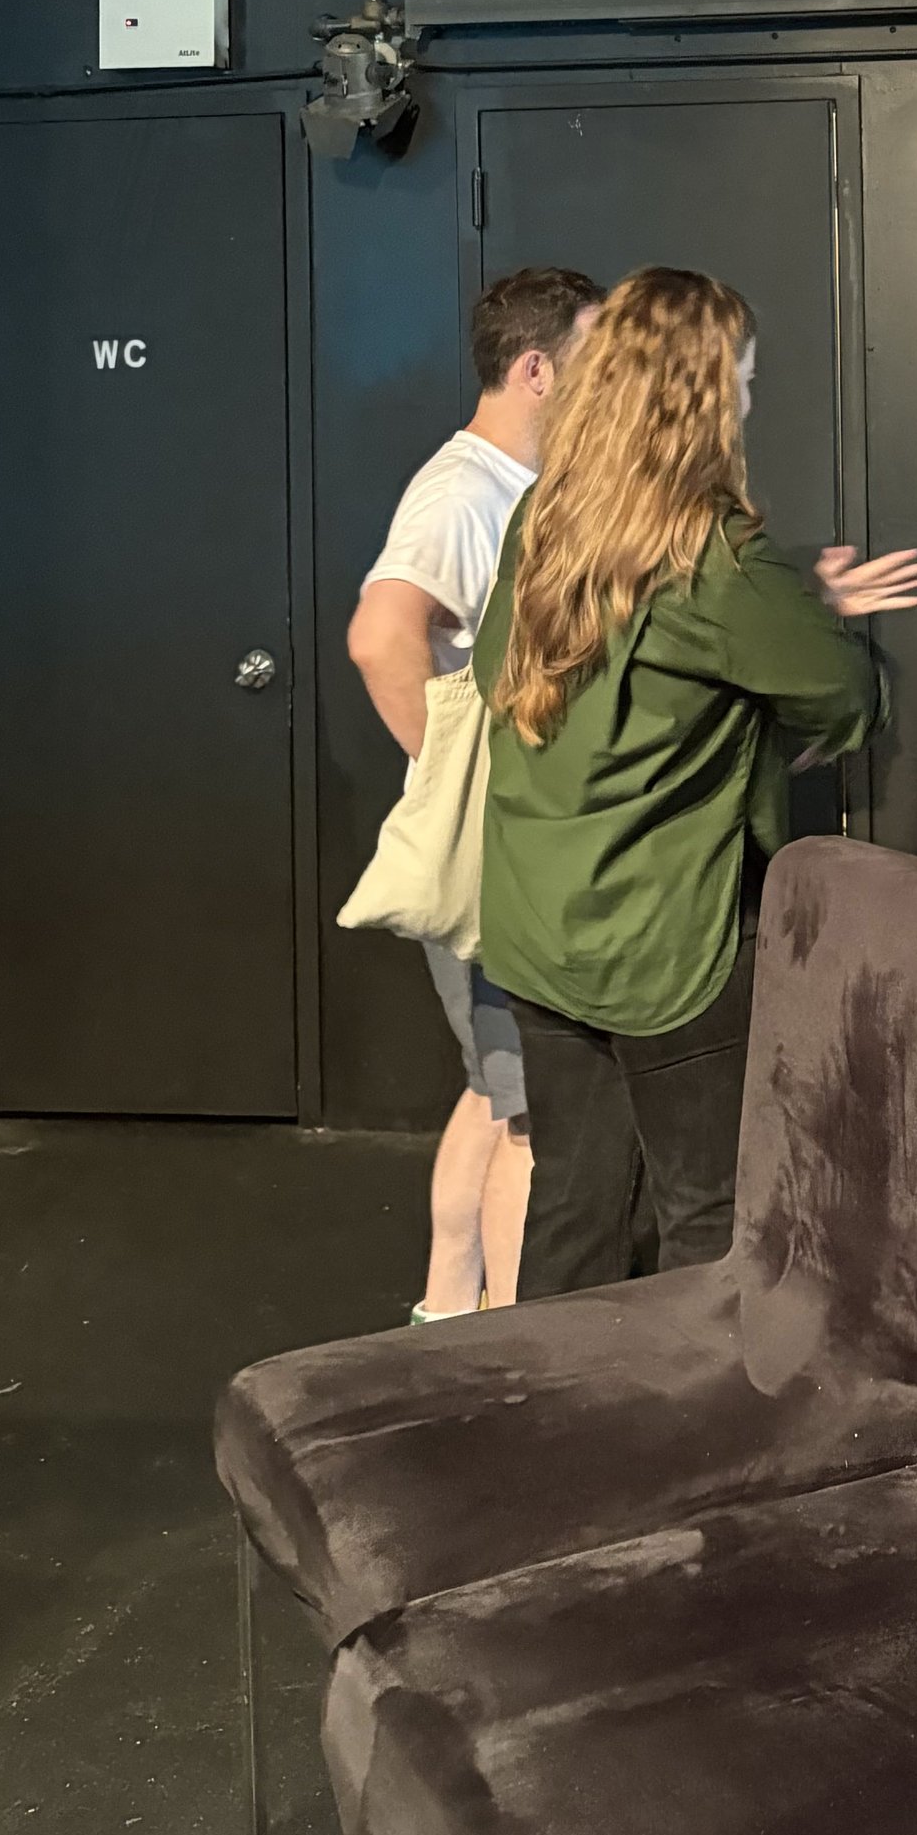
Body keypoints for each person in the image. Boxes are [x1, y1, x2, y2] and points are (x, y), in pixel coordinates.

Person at [475, 266, 917, 1295]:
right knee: (709, 1218)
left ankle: (546, 1428)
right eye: (745, 380)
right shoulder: (710, 552)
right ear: (699, 396)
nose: (751, 402)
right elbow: (845, 695)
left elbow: (493, 671)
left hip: (537, 927)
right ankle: (675, 1438)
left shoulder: (542, 521)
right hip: (668, 941)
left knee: (575, 1204)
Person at [347, 263, 604, 1319]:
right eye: (596, 358)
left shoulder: (524, 490)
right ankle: (506, 1354)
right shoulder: (463, 493)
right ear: (538, 369)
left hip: (513, 852)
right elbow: (378, 639)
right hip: (501, 857)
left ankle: (445, 1314)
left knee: (493, 1090)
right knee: (535, 1108)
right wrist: (458, 782)